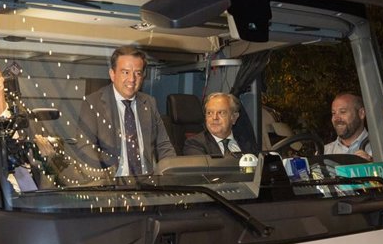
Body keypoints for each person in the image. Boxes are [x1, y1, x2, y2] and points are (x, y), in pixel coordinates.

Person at [77, 45, 176, 176]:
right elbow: (86, 148)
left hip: (147, 183)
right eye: (125, 72)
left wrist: (171, 176)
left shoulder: (149, 103)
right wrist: (104, 182)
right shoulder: (92, 103)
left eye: (138, 73)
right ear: (112, 74)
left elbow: (164, 146)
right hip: (112, 184)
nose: (132, 79)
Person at [183, 92, 258, 157]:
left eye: (221, 112)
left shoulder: (246, 142)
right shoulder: (195, 144)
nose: (214, 117)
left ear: (234, 118)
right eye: (209, 113)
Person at [324, 92, 372, 160]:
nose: (336, 118)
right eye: (333, 113)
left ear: (361, 113)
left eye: (343, 112)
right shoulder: (325, 153)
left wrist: (372, 166)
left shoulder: (380, 148)